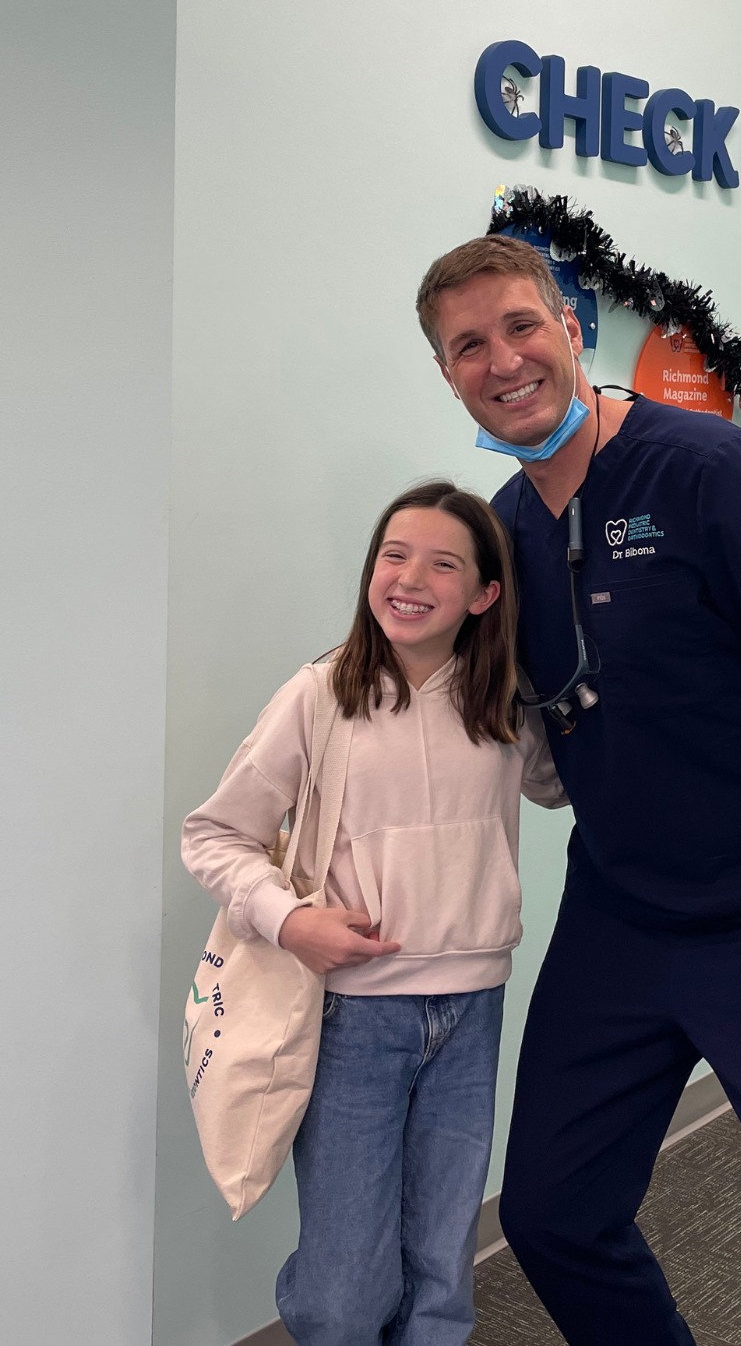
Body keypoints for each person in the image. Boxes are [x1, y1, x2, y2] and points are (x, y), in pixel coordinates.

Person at [414, 234, 741, 1346]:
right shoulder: (506, 528)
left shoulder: (708, 472)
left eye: (521, 326)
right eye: (468, 346)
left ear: (571, 329)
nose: (503, 360)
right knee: (549, 1216)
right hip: (624, 916)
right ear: (450, 375)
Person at [181, 479, 565, 1346]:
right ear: (370, 572)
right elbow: (214, 836)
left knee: (440, 1271)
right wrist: (289, 920)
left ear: (484, 594)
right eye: (394, 554)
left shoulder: (502, 700)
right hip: (355, 1018)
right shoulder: (321, 696)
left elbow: (554, 786)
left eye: (442, 563)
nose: (410, 577)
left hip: (471, 1011)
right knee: (350, 1285)